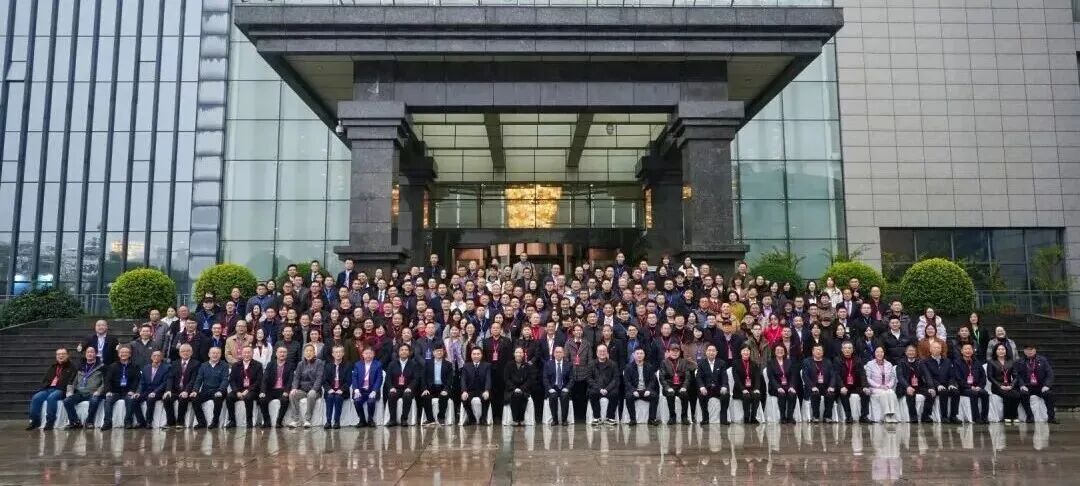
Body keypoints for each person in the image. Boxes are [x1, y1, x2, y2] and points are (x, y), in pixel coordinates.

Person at [27, 347, 76, 430]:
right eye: (58, 354)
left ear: (67, 355)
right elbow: (45, 379)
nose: (60, 356)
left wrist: (65, 389)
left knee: (51, 398)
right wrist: (44, 386)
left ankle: (50, 422)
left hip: (61, 390)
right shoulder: (53, 367)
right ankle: (34, 422)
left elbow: (72, 382)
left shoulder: (72, 367)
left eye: (63, 354)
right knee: (36, 397)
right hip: (48, 389)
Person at [61, 347, 106, 429]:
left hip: (93, 393)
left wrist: (99, 391)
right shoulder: (80, 366)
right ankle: (75, 422)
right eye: (88, 352)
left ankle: (89, 422)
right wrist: (70, 391)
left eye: (92, 352)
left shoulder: (102, 367)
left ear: (96, 354)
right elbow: (73, 381)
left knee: (94, 400)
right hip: (80, 393)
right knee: (67, 401)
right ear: (85, 354)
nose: (90, 354)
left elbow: (105, 383)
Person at [1015, 343, 1058, 423]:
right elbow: (1017, 375)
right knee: (1023, 394)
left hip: (1040, 386)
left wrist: (1047, 385)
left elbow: (1049, 373)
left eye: (1031, 349)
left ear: (1035, 350)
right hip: (1027, 386)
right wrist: (1022, 385)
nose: (1029, 351)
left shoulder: (1042, 360)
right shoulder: (1019, 362)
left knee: (1049, 394)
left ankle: (1051, 417)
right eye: (1027, 350)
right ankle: (1030, 416)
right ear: (1024, 351)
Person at [101, 345, 141, 430]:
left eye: (126, 352)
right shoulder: (112, 366)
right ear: (119, 354)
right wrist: (108, 391)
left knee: (130, 399)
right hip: (115, 391)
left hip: (128, 391)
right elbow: (107, 380)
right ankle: (107, 423)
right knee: (108, 400)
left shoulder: (135, 366)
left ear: (130, 354)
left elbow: (136, 380)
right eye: (122, 352)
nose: (124, 354)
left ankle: (128, 422)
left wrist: (132, 390)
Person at [920, 340, 960, 423]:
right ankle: (944, 416)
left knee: (956, 392)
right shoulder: (925, 361)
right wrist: (937, 385)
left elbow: (952, 375)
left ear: (941, 349)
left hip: (946, 384)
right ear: (930, 349)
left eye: (938, 348)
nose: (937, 349)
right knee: (943, 391)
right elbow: (928, 376)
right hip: (931, 385)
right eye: (934, 348)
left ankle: (953, 416)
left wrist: (951, 384)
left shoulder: (947, 361)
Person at [162, 343, 199, 428]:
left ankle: (180, 422)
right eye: (183, 351)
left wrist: (186, 391)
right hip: (176, 390)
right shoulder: (175, 363)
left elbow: (193, 380)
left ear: (191, 353)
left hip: (188, 390)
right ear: (179, 353)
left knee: (183, 398)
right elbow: (170, 378)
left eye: (187, 351)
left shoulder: (196, 364)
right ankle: (170, 422)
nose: (185, 353)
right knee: (167, 398)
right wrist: (168, 390)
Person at [192, 346, 230, 428]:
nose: (215, 355)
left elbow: (225, 380)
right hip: (206, 390)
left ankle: (215, 422)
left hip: (219, 390)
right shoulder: (203, 365)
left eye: (217, 353)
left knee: (218, 398)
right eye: (213, 353)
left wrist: (220, 390)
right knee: (194, 399)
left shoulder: (224, 365)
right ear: (209, 354)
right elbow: (199, 379)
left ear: (220, 355)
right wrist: (195, 390)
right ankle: (201, 422)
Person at [834, 341, 871, 424]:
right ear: (842, 350)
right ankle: (848, 416)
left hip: (855, 386)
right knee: (843, 394)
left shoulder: (857, 359)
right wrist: (841, 386)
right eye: (845, 348)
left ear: (852, 350)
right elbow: (836, 375)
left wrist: (865, 386)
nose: (847, 350)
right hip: (844, 386)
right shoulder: (837, 360)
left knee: (866, 393)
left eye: (849, 348)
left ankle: (864, 416)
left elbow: (862, 374)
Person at [226, 346, 263, 428]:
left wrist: (248, 390)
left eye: (249, 352)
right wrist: (237, 391)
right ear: (241, 354)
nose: (246, 354)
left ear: (252, 354)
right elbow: (232, 380)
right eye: (245, 353)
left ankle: (249, 421)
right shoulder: (236, 365)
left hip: (252, 390)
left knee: (248, 397)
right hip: (239, 389)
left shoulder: (258, 365)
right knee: (229, 397)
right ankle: (232, 421)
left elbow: (259, 381)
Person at [288, 344, 324, 428]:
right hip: (303, 389)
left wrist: (314, 389)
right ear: (304, 353)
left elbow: (319, 378)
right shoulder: (300, 364)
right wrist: (294, 388)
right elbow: (296, 378)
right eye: (307, 351)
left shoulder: (319, 363)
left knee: (311, 394)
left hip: (315, 390)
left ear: (314, 353)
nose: (308, 353)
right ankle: (296, 420)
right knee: (292, 394)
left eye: (310, 351)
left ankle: (307, 420)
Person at [132, 350, 170, 429]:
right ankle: (140, 421)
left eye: (158, 356)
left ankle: (148, 422)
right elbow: (142, 382)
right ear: (151, 357)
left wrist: (155, 392)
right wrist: (138, 392)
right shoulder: (146, 368)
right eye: (154, 355)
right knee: (135, 399)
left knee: (150, 399)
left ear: (162, 357)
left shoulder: (166, 368)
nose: (156, 357)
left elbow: (164, 383)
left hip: (159, 392)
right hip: (147, 391)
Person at [384, 343, 420, 426]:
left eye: (406, 350)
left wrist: (410, 387)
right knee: (391, 395)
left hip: (408, 388)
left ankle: (404, 419)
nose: (404, 351)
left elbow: (416, 379)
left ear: (409, 352)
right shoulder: (392, 364)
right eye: (402, 350)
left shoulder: (414, 364)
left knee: (407, 395)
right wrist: (391, 387)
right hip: (396, 388)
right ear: (398, 352)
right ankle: (392, 419)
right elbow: (388, 378)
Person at [895, 344, 932, 423]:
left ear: (916, 352)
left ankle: (925, 416)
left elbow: (927, 375)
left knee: (930, 394)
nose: (911, 352)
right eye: (909, 351)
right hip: (905, 386)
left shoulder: (920, 362)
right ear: (906, 352)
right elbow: (900, 377)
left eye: (913, 351)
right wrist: (907, 386)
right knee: (910, 393)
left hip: (919, 386)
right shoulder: (901, 362)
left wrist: (931, 387)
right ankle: (913, 417)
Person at [259, 346, 294, 428]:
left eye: (284, 352)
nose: (282, 354)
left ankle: (279, 421)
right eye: (280, 352)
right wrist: (262, 391)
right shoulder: (270, 364)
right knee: (262, 400)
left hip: (283, 390)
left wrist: (286, 391)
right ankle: (267, 421)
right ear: (276, 354)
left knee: (285, 400)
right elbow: (265, 379)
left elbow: (290, 380)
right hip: (271, 389)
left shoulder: (290, 365)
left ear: (287, 354)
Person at [954, 343, 989, 424]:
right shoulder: (957, 363)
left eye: (969, 349)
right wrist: (970, 387)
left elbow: (983, 376)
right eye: (965, 349)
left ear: (972, 351)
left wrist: (980, 386)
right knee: (973, 393)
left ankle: (984, 417)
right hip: (964, 388)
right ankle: (976, 417)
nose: (968, 351)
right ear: (962, 351)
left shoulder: (977, 362)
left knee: (985, 394)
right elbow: (958, 378)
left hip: (977, 387)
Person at [660, 344, 695, 425]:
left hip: (680, 386)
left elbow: (687, 377)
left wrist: (684, 387)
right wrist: (667, 387)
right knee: (670, 394)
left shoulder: (684, 361)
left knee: (684, 394)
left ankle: (684, 417)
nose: (675, 353)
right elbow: (662, 377)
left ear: (679, 352)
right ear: (669, 352)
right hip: (669, 386)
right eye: (673, 351)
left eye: (677, 351)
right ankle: (672, 417)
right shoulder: (664, 362)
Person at [623, 348, 659, 426]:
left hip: (646, 390)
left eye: (641, 353)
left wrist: (648, 389)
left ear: (644, 355)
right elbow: (627, 381)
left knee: (654, 396)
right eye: (637, 353)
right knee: (628, 397)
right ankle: (633, 419)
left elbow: (653, 380)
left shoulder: (649, 366)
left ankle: (651, 419)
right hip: (634, 390)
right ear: (633, 355)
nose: (639, 355)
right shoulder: (628, 367)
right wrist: (633, 390)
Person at [696, 344, 730, 425]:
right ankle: (705, 419)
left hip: (718, 388)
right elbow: (698, 377)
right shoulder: (701, 363)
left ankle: (723, 419)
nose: (711, 352)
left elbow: (724, 376)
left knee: (726, 395)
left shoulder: (721, 363)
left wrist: (724, 386)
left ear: (716, 352)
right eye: (709, 350)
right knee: (701, 395)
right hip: (706, 388)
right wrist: (702, 387)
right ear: (706, 352)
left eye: (713, 351)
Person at [801, 343, 836, 423]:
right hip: (812, 387)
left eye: (820, 350)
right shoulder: (807, 361)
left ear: (823, 352)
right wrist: (812, 386)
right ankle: (815, 416)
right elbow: (805, 376)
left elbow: (833, 375)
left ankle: (827, 416)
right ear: (813, 352)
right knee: (815, 394)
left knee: (830, 394)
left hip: (825, 386)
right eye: (816, 350)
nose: (818, 352)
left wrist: (831, 386)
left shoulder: (828, 361)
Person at [420, 344, 453, 426]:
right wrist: (425, 389)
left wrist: (446, 389)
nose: (439, 352)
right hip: (431, 387)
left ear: (443, 352)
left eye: (441, 351)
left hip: (443, 387)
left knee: (444, 396)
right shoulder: (427, 363)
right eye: (437, 351)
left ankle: (441, 417)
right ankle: (430, 419)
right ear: (433, 352)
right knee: (426, 396)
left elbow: (450, 379)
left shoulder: (448, 364)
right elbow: (423, 377)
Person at [987, 343, 1021, 423]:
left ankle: (1014, 416)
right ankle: (1007, 416)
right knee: (1007, 395)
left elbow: (1016, 376)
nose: (1001, 351)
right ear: (995, 351)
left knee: (1017, 395)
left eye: (1003, 349)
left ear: (1006, 351)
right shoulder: (991, 362)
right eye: (999, 349)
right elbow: (990, 377)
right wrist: (1000, 386)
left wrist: (1011, 385)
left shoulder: (1011, 362)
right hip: (997, 386)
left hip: (1009, 385)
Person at [864, 346, 899, 423]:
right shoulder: (870, 364)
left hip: (887, 387)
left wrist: (888, 386)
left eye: (881, 352)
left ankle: (892, 414)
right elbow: (868, 378)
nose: (879, 354)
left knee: (891, 392)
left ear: (884, 353)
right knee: (884, 393)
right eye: (877, 352)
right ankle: (887, 415)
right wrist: (879, 386)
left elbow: (893, 378)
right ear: (874, 353)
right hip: (875, 388)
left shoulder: (889, 364)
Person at [587, 344, 620, 425]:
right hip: (597, 388)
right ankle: (597, 417)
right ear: (597, 353)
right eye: (600, 351)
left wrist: (607, 389)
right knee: (592, 393)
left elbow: (615, 379)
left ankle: (610, 417)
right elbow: (589, 379)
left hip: (609, 388)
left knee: (615, 394)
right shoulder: (591, 364)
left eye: (604, 351)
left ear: (607, 352)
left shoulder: (613, 364)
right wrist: (599, 389)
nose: (602, 353)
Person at [766, 343, 798, 424]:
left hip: (788, 386)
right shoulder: (770, 362)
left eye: (781, 350)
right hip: (775, 387)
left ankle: (790, 417)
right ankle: (783, 417)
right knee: (782, 394)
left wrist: (791, 386)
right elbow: (771, 377)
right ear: (774, 351)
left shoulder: (789, 362)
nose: (779, 351)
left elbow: (792, 376)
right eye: (777, 350)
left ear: (784, 352)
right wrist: (778, 387)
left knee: (792, 394)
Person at [350, 347, 383, 427]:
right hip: (360, 390)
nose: (368, 355)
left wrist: (374, 391)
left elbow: (379, 379)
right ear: (363, 354)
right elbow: (354, 378)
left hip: (372, 390)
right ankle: (362, 420)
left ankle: (370, 420)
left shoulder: (378, 364)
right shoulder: (357, 364)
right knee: (357, 401)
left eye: (370, 353)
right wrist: (356, 389)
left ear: (374, 355)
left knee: (371, 401)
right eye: (366, 353)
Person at [731, 346, 762, 424]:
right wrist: (743, 389)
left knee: (757, 395)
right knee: (746, 396)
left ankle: (753, 417)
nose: (746, 352)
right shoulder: (736, 363)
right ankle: (746, 417)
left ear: (750, 352)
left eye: (747, 350)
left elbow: (757, 378)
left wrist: (757, 388)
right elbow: (736, 379)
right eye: (744, 350)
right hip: (739, 389)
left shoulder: (754, 364)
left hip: (751, 388)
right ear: (741, 352)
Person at [461, 347, 491, 426]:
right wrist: (464, 391)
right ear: (471, 355)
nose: (476, 356)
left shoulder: (487, 365)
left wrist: (487, 390)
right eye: (474, 354)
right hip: (470, 390)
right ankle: (471, 418)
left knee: (486, 398)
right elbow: (463, 380)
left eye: (478, 354)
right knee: (464, 399)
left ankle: (483, 419)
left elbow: (488, 379)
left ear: (481, 355)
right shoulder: (466, 366)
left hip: (482, 390)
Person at [543, 346, 573, 425]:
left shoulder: (569, 364)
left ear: (563, 354)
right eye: (556, 352)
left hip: (564, 387)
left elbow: (572, 379)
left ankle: (564, 420)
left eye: (560, 352)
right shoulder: (548, 364)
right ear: (553, 354)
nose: (558, 354)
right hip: (553, 387)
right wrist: (549, 388)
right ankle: (555, 420)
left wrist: (567, 388)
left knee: (565, 395)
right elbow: (545, 379)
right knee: (553, 396)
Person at [322, 345, 351, 429]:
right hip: (330, 390)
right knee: (330, 397)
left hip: (342, 391)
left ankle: (337, 422)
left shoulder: (348, 365)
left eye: (340, 352)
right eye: (336, 352)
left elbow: (349, 381)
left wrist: (342, 389)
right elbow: (324, 381)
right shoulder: (327, 366)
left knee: (338, 397)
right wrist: (329, 389)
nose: (338, 354)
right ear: (333, 354)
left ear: (343, 353)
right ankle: (328, 421)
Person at [505, 347, 535, 426]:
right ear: (514, 354)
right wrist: (514, 388)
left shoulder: (527, 365)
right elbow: (506, 379)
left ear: (523, 354)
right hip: (511, 389)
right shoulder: (509, 365)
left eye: (520, 352)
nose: (519, 354)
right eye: (517, 352)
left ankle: (521, 419)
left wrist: (521, 388)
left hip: (524, 389)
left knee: (522, 395)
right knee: (515, 395)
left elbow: (530, 380)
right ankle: (515, 420)